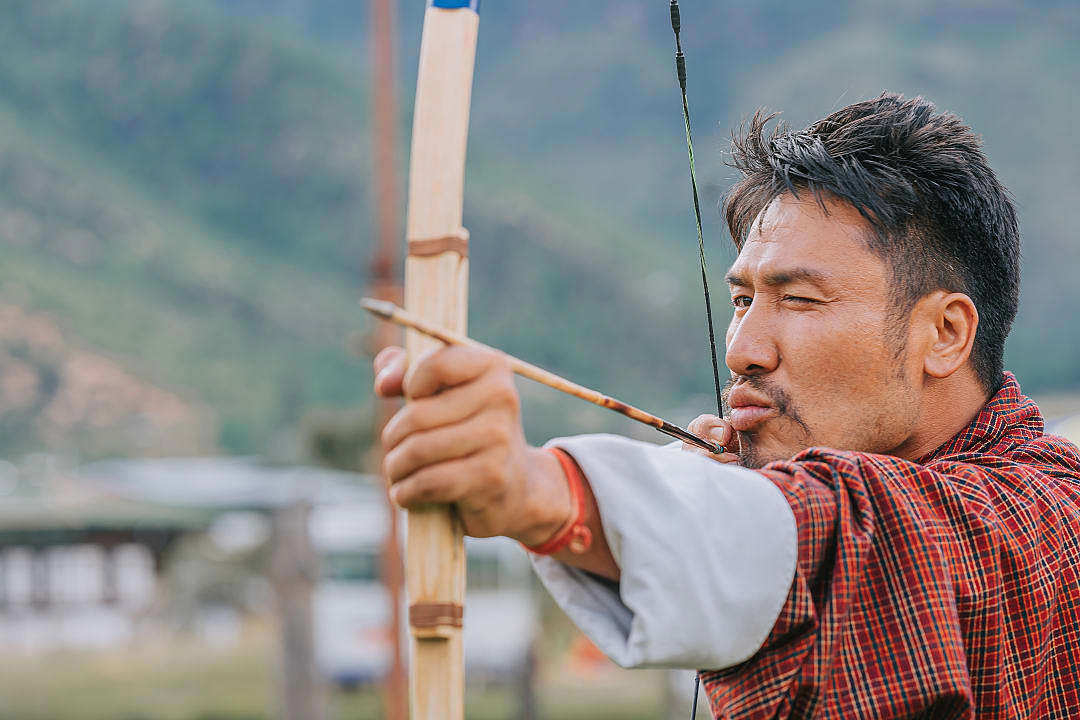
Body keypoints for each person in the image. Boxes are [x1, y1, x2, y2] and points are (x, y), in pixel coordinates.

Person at [372, 93, 1080, 718]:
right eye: (743, 300)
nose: (743, 350)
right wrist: (728, 496)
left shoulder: (1046, 515)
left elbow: (856, 534)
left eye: (798, 299)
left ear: (945, 334)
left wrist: (538, 492)